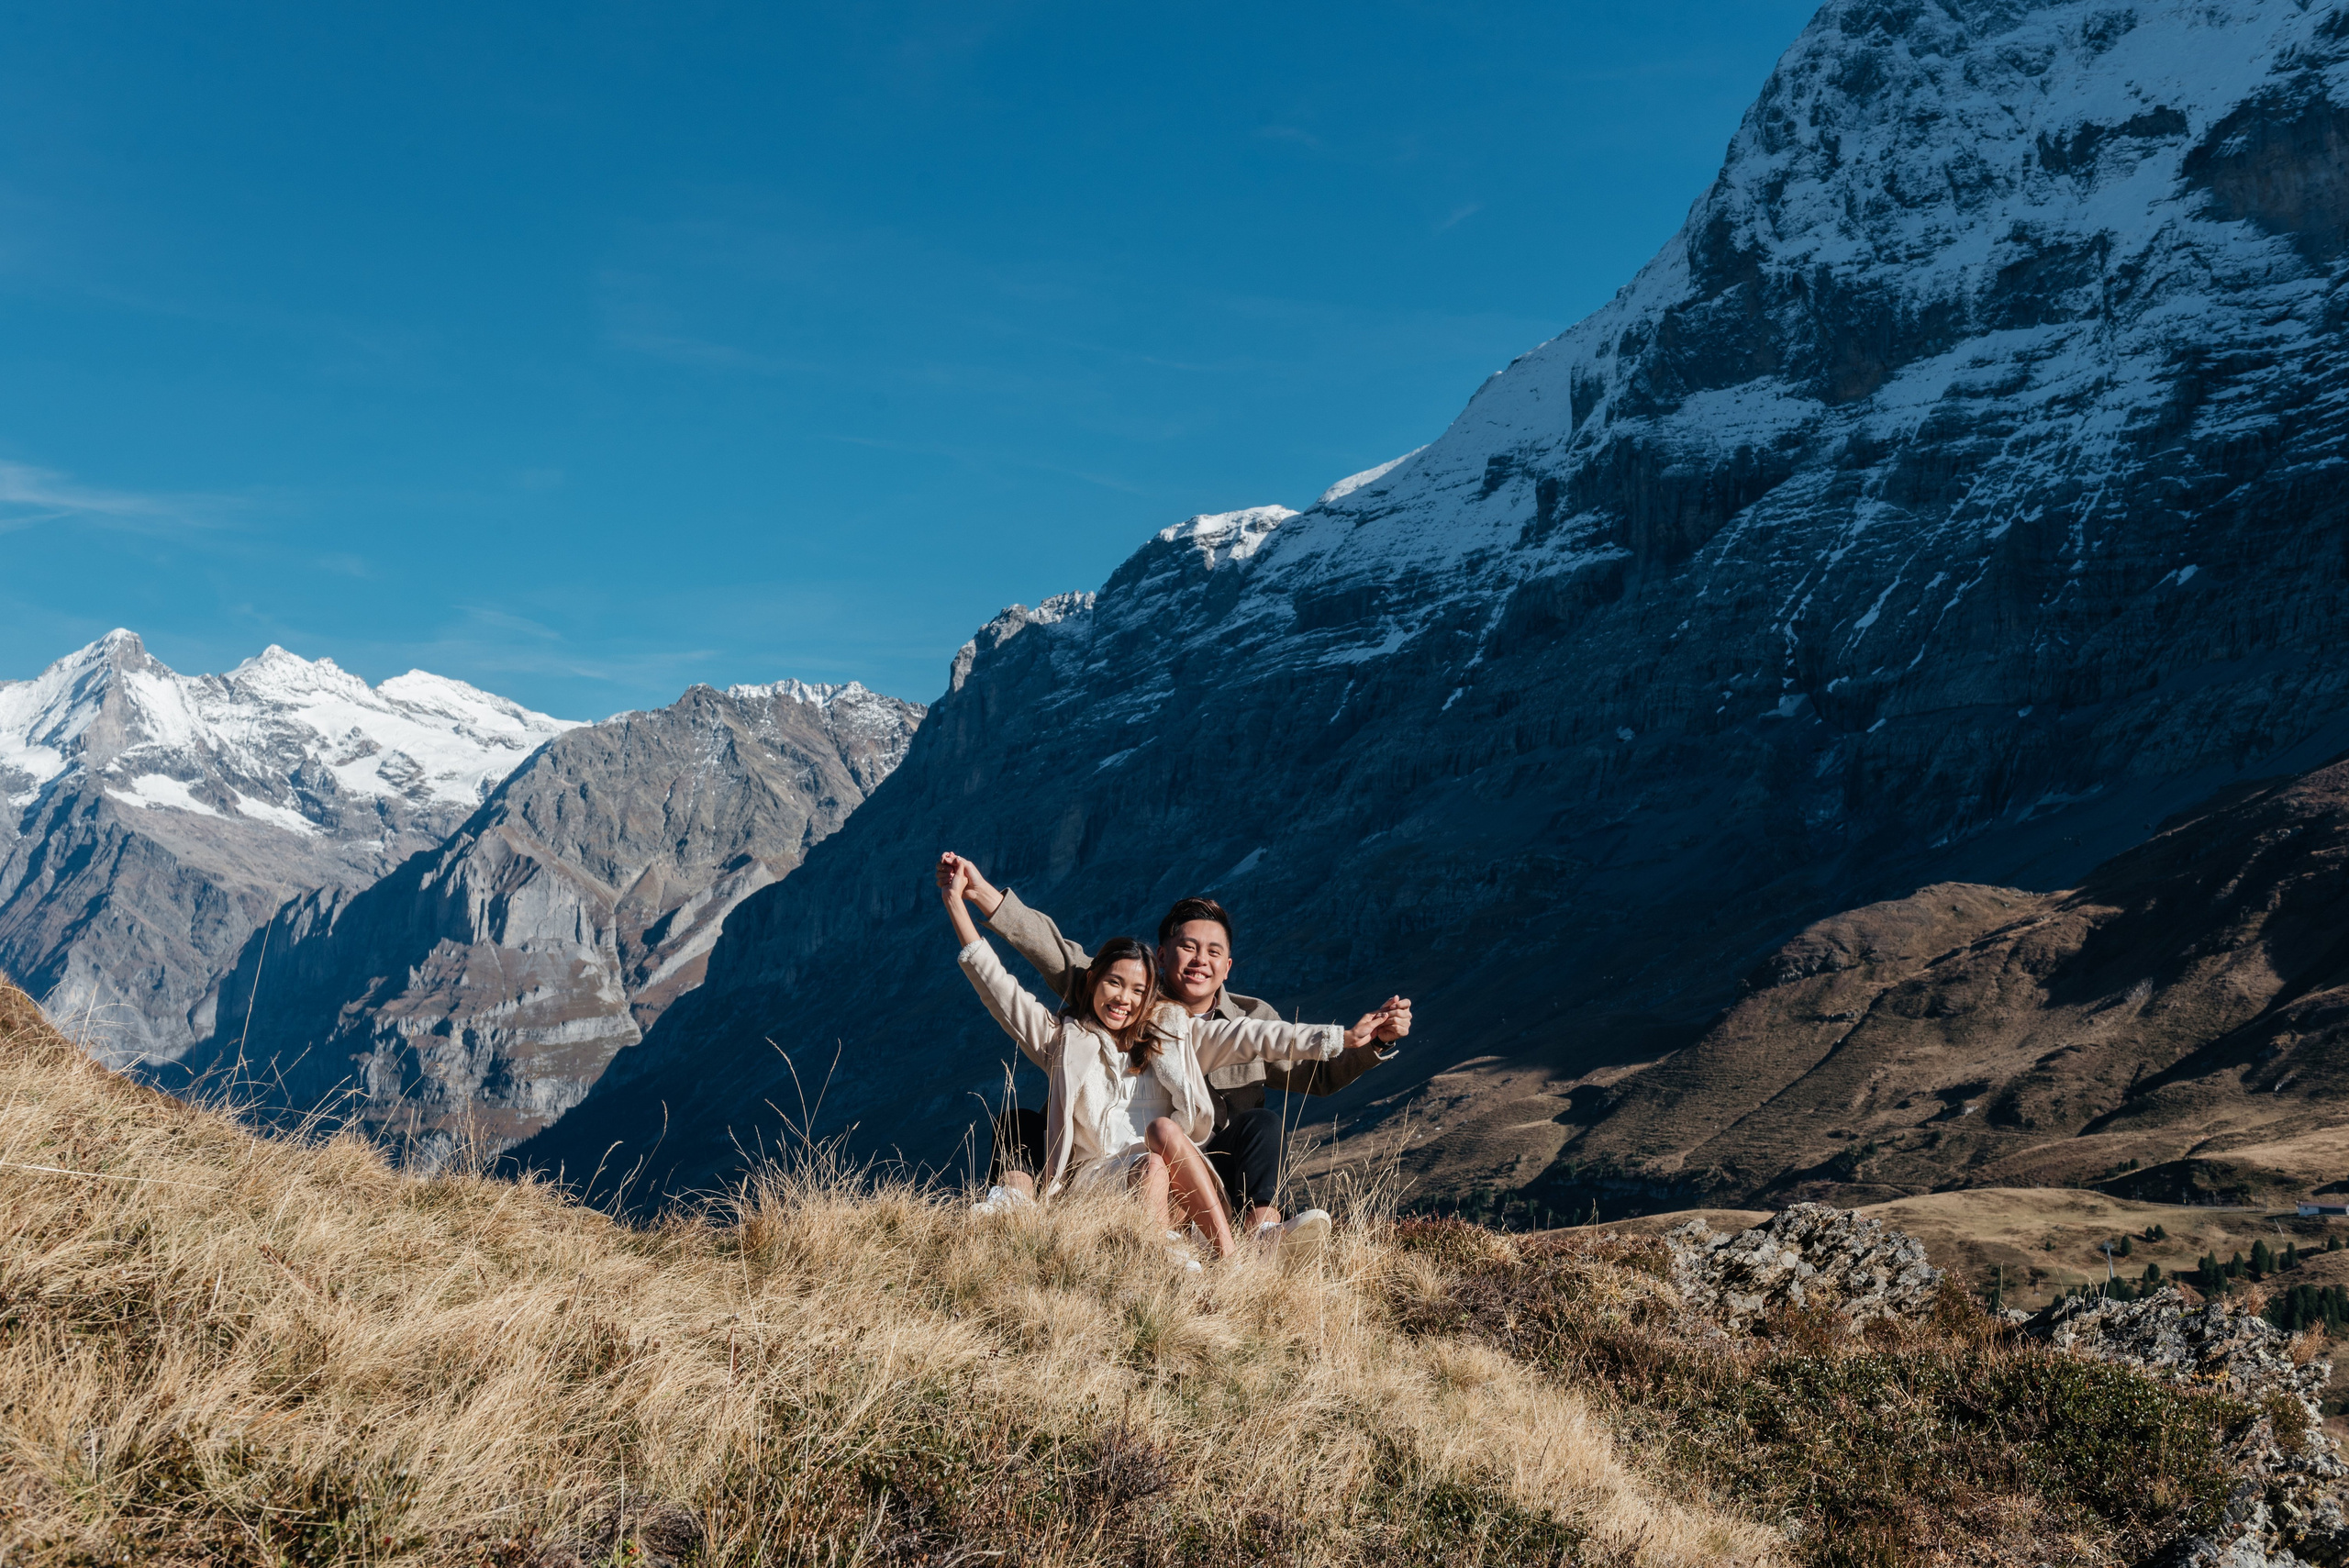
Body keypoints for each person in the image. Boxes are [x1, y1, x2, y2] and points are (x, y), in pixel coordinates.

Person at [939, 858, 1405, 1262]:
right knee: (1022, 1120)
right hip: (1103, 1174)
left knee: (1237, 1127)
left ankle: (1255, 1237)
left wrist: (1353, 1039)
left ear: (1227, 965)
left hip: (1206, 1167)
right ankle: (1020, 1209)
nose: (1124, 997)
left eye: (1213, 952)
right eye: (1187, 947)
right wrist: (973, 899)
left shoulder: (1191, 1031)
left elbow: (1264, 1039)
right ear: (1159, 958)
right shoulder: (1080, 1029)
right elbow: (1018, 973)